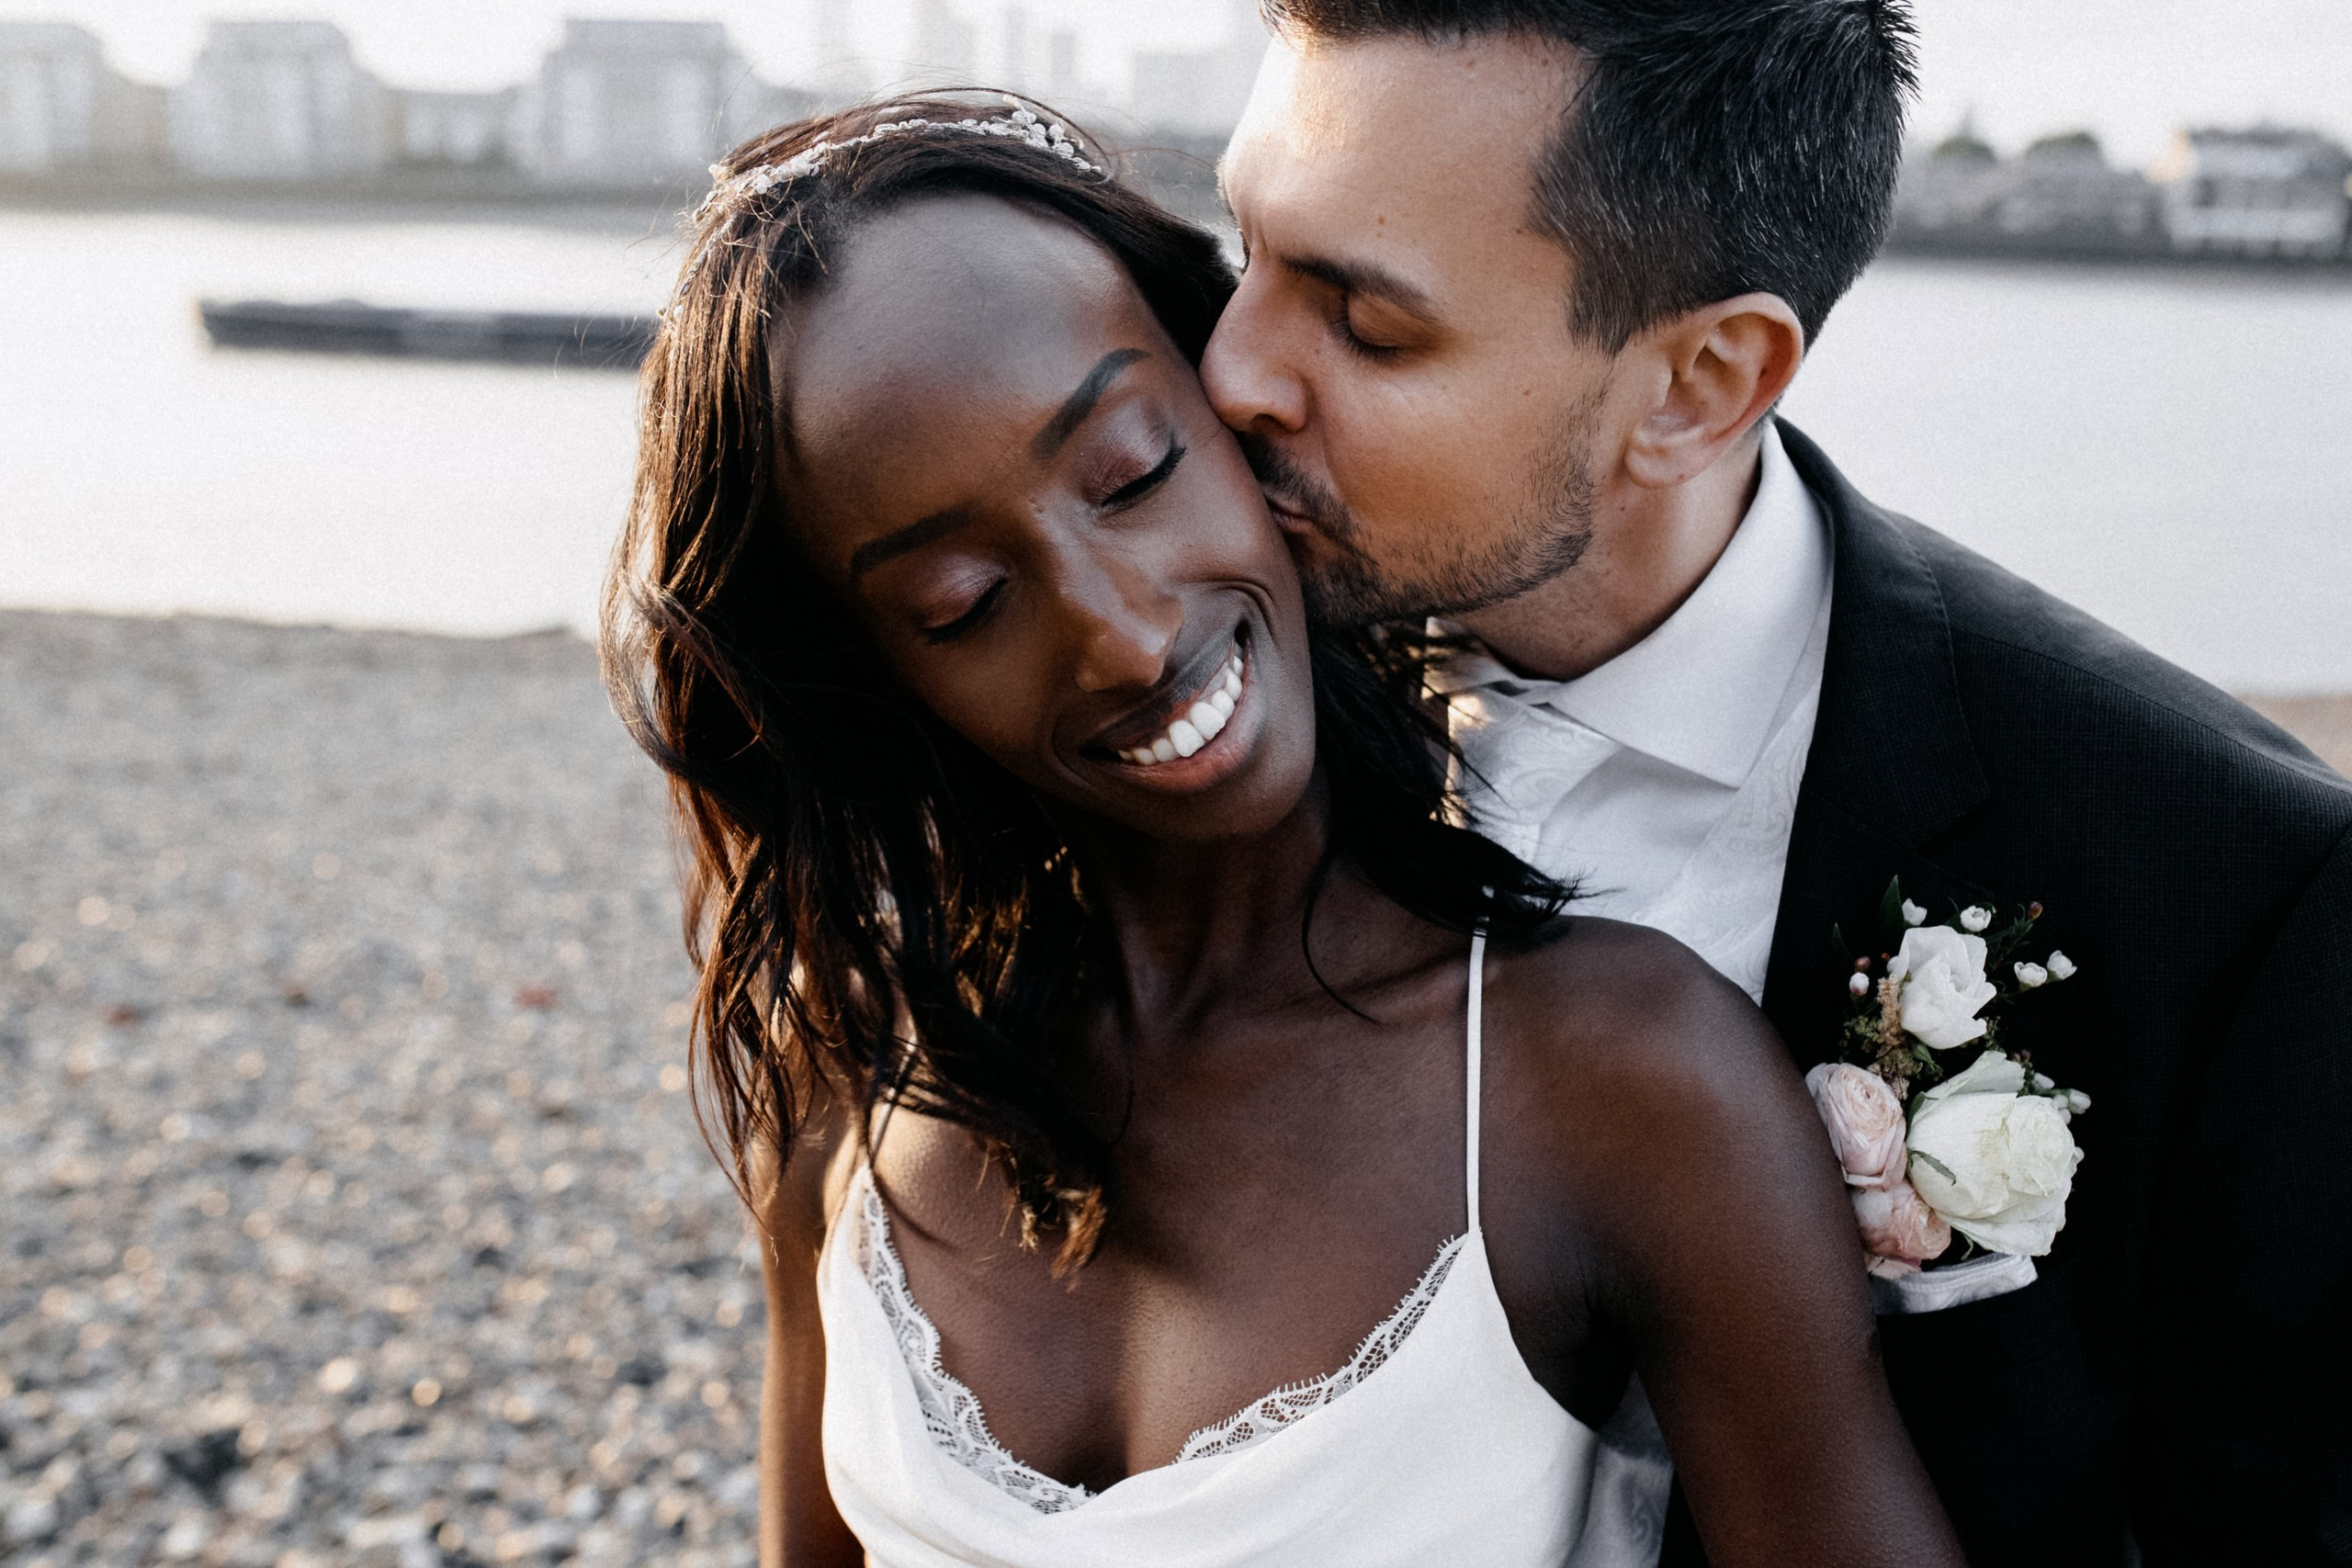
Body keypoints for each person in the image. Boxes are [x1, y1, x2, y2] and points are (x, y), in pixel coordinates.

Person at [603, 97, 1964, 1567]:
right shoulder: (849, 1069)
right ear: (876, 670)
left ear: (1235, 401)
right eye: (962, 604)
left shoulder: (1618, 1083)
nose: (1124, 636)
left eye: (1132, 471)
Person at [1202, 2, 2352, 1562]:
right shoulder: (1181, 690)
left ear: (1699, 387)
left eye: (1367, 325)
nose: (1232, 372)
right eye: (1244, 248)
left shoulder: (2229, 887)